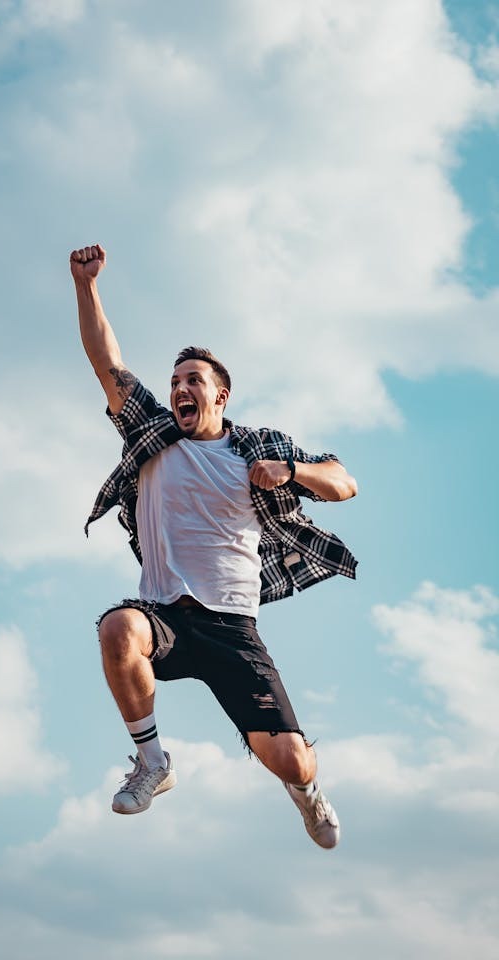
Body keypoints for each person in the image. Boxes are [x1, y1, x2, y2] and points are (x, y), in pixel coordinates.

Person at [70, 243, 358, 849]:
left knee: (292, 760)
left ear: (219, 396)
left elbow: (343, 482)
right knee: (118, 629)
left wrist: (291, 471)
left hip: (232, 627)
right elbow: (107, 363)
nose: (179, 388)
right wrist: (86, 285)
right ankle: (153, 763)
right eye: (175, 380)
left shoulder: (255, 447)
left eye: (192, 381)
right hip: (164, 614)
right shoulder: (151, 431)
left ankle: (307, 792)